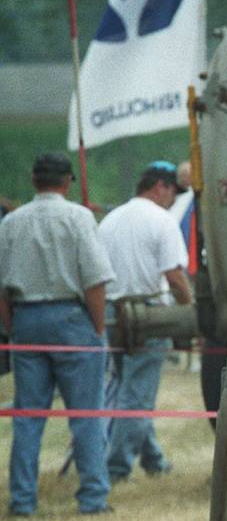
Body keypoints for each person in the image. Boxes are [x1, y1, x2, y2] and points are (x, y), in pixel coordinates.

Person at [0, 153, 115, 515]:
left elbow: (1, 288)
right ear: (68, 182)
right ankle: (93, 498)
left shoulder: (11, 222)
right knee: (86, 415)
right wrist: (97, 329)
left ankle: (22, 501)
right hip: (72, 318)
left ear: (34, 181)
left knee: (28, 417)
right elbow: (94, 281)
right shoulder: (79, 217)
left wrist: (12, 329)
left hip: (26, 319)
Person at [98, 160, 192, 482]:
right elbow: (175, 276)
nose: (173, 199)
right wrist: (189, 310)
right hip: (148, 314)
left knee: (129, 389)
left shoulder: (110, 220)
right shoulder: (161, 221)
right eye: (172, 192)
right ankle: (115, 469)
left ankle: (153, 460)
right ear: (160, 187)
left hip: (112, 313)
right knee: (136, 397)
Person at [167, 161, 198, 277]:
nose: (184, 178)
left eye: (187, 175)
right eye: (181, 175)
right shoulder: (175, 199)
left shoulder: (189, 198)